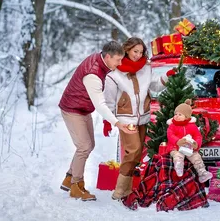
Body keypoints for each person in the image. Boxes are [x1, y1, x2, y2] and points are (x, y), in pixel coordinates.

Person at [59, 41, 134, 201]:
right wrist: (117, 123)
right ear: (107, 56)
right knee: (84, 146)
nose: (120, 63)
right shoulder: (93, 74)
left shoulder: (101, 62)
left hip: (82, 108)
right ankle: (76, 186)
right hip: (72, 109)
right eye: (118, 60)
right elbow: (100, 104)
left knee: (89, 145)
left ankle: (69, 177)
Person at [103, 37, 175, 200]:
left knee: (136, 155)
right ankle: (119, 191)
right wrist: (108, 120)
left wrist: (167, 77)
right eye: (135, 51)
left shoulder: (146, 68)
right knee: (133, 150)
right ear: (127, 50)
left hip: (143, 117)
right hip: (125, 119)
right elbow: (108, 99)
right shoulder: (114, 74)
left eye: (141, 52)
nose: (138, 55)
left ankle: (126, 191)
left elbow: (154, 87)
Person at [166, 99, 213, 183]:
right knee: (178, 156)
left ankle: (202, 173)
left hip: (189, 148)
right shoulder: (172, 126)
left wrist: (195, 144)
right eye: (175, 114)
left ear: (187, 116)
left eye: (180, 114)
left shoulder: (192, 126)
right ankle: (179, 167)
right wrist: (177, 141)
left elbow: (198, 136)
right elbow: (170, 135)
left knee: (196, 157)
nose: (176, 116)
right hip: (175, 147)